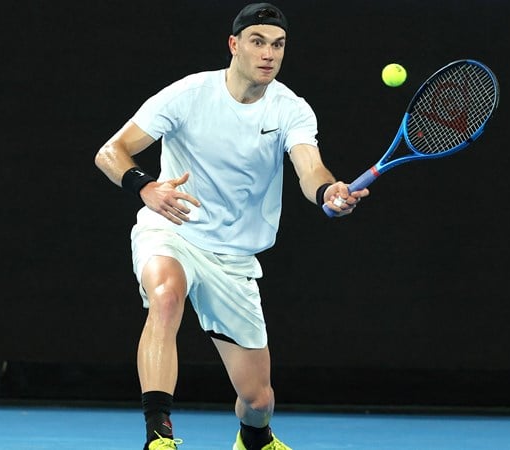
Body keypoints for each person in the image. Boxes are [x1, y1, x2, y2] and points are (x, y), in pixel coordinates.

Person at [94, 3, 369, 449]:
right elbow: (112, 152)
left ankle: (255, 438)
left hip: (235, 256)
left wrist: (328, 192)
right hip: (173, 230)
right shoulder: (188, 94)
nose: (269, 54)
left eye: (278, 45)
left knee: (258, 399)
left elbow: (310, 170)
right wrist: (147, 189)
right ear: (234, 45)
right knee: (165, 297)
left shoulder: (290, 109)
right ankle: (158, 437)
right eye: (258, 42)